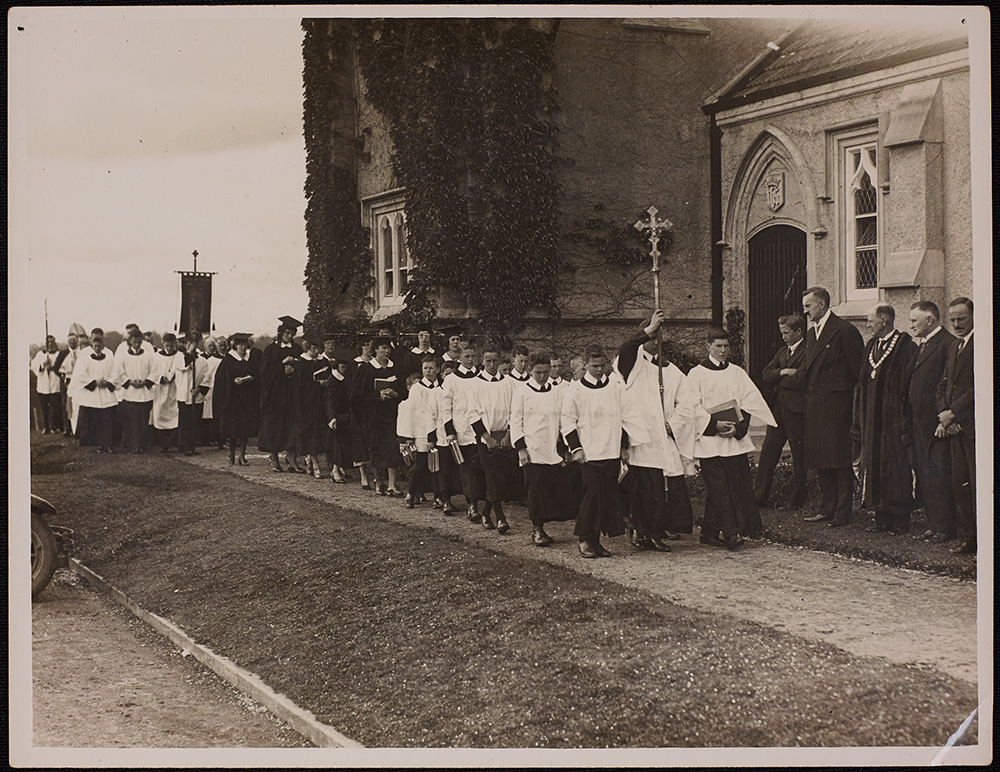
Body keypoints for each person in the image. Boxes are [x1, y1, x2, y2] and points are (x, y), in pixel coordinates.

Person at [688, 328, 777, 550]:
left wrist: (738, 428)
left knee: (735, 485)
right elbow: (692, 406)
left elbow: (748, 401)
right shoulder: (696, 374)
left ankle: (708, 532)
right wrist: (713, 425)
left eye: (726, 346)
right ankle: (731, 534)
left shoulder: (736, 372)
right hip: (708, 441)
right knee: (719, 487)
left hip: (733, 440)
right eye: (718, 346)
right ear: (708, 346)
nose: (723, 350)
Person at [616, 310, 696, 550]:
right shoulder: (631, 364)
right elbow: (627, 347)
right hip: (641, 436)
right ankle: (641, 531)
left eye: (658, 337)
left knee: (662, 487)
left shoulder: (671, 371)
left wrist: (674, 425)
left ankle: (655, 532)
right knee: (644, 487)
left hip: (664, 435)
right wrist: (649, 328)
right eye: (651, 337)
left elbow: (687, 403)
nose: (654, 342)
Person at [562, 345, 648, 558]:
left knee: (606, 496)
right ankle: (584, 538)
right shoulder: (575, 390)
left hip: (610, 450)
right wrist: (576, 448)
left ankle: (596, 540)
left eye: (603, 365)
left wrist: (623, 446)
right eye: (594, 366)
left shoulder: (615, 387)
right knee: (591, 495)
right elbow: (567, 421)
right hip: (588, 453)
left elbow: (626, 416)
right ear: (585, 365)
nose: (599, 370)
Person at [798, 286, 865, 527]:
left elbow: (859, 372)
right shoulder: (812, 333)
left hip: (838, 408)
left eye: (808, 306)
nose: (805, 311)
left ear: (822, 305)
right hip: (816, 406)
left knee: (838, 460)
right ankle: (826, 508)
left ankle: (842, 512)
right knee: (821, 458)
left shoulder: (844, 331)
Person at [853, 304, 918, 534]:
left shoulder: (905, 346)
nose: (868, 324)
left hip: (894, 420)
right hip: (872, 420)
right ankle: (881, 518)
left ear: (884, 319)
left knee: (896, 466)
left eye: (871, 320)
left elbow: (910, 384)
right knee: (875, 464)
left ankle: (900, 520)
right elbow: (862, 383)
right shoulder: (871, 345)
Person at [511, 352, 577, 546]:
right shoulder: (521, 392)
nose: (542, 376)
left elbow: (563, 421)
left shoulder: (557, 392)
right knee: (535, 490)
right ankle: (537, 530)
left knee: (553, 489)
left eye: (546, 372)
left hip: (552, 450)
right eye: (538, 372)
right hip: (531, 451)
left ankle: (546, 526)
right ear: (531, 371)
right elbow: (515, 422)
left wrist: (565, 447)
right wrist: (521, 449)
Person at [904, 301, 956, 544]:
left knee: (939, 474)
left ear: (931, 320)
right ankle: (933, 524)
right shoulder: (922, 345)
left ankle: (945, 527)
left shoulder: (946, 344)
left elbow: (947, 385)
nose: (911, 325)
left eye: (915, 320)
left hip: (936, 423)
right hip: (919, 422)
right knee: (925, 473)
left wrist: (943, 417)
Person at [754, 315, 808, 509]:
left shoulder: (808, 351)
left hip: (796, 410)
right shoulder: (782, 352)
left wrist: (779, 376)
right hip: (777, 410)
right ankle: (759, 496)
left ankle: (796, 500)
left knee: (799, 455)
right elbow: (766, 375)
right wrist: (783, 372)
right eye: (782, 333)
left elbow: (801, 379)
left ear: (798, 332)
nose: (783, 337)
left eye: (786, 333)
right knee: (768, 451)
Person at [936, 297, 975, 555]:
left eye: (962, 318)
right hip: (953, 426)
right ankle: (971, 537)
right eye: (953, 319)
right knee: (960, 483)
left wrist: (954, 413)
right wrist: (943, 413)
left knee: (976, 483)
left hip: (971, 426)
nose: (957, 324)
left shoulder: (982, 344)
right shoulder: (955, 346)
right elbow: (943, 384)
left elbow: (979, 386)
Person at [469, 345, 518, 532]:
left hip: (504, 437)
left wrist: (508, 434)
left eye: (495, 361)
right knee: (492, 477)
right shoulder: (476, 384)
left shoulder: (508, 383)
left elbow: (514, 411)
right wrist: (487, 437)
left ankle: (485, 512)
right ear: (482, 361)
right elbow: (472, 414)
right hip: (486, 439)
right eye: (488, 361)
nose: (491, 364)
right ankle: (501, 518)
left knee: (502, 479)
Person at [354, 336, 404, 495]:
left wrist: (395, 394)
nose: (386, 351)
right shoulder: (365, 369)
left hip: (391, 414)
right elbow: (357, 396)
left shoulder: (395, 368)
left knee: (392, 447)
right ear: (375, 350)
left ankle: (392, 485)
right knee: (374, 448)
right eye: (383, 348)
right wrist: (377, 396)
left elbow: (403, 391)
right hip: (373, 415)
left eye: (388, 348)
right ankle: (379, 482)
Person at [442, 343, 487, 520]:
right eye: (466, 356)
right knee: (467, 470)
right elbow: (446, 407)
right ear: (458, 358)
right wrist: (450, 431)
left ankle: (482, 502)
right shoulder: (451, 380)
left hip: (481, 431)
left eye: (472, 356)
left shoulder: (481, 377)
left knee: (480, 468)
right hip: (462, 430)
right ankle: (471, 505)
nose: (470, 360)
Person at [259, 315, 305, 473]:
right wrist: (282, 365)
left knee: (292, 427)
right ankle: (274, 460)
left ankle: (292, 461)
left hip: (292, 394)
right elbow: (265, 373)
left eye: (292, 333)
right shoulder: (271, 350)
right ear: (280, 333)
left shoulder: (297, 349)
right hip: (276, 395)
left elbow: (303, 369)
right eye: (287, 333)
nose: (290, 336)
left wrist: (295, 369)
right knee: (275, 427)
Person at [398, 356, 443, 508]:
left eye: (431, 368)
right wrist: (409, 436)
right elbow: (412, 412)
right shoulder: (417, 388)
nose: (428, 371)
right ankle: (411, 494)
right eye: (425, 368)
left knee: (437, 465)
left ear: (437, 369)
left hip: (439, 430)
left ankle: (438, 497)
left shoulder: (441, 387)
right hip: (422, 431)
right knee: (421, 464)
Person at [213, 333, 259, 465]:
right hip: (233, 398)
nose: (243, 348)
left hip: (247, 397)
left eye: (245, 345)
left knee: (245, 428)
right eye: (240, 345)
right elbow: (222, 378)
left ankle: (242, 455)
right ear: (235, 346)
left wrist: (251, 378)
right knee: (233, 427)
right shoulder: (229, 359)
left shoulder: (250, 358)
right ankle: (231, 452)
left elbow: (256, 373)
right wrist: (233, 381)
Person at [70, 332, 119, 452]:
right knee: (98, 421)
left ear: (103, 346)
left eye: (99, 346)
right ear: (92, 346)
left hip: (106, 392)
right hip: (95, 394)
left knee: (108, 419)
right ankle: (101, 445)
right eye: (95, 346)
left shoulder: (109, 358)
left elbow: (115, 372)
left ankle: (110, 444)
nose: (97, 348)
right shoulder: (86, 359)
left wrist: (108, 382)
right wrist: (94, 382)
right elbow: (81, 375)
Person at [293, 335, 329, 477]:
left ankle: (310, 460)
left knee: (321, 434)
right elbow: (302, 385)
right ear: (308, 347)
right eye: (313, 348)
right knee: (312, 434)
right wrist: (318, 384)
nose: (316, 351)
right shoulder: (302, 363)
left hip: (321, 403)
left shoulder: (323, 361)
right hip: (308, 404)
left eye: (318, 348)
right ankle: (315, 464)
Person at [113, 328, 154, 453]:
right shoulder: (123, 356)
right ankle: (134, 445)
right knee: (133, 421)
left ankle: (142, 445)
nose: (136, 345)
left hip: (144, 393)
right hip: (130, 392)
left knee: (143, 420)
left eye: (139, 342)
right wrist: (130, 382)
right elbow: (119, 372)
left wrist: (145, 381)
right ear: (130, 341)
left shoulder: (148, 355)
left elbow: (154, 371)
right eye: (134, 342)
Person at [347, 333, 376, 489]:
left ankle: (376, 475)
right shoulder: (354, 364)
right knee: (359, 441)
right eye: (365, 344)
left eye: (371, 344)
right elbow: (350, 389)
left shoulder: (375, 364)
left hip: (373, 407)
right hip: (359, 408)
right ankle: (364, 475)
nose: (369, 347)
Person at [324, 346, 355, 484]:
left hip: (346, 416)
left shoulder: (346, 378)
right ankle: (335, 470)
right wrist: (332, 417)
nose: (345, 369)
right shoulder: (333, 380)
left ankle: (342, 468)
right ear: (337, 366)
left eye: (346, 367)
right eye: (342, 366)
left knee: (346, 444)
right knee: (338, 445)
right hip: (337, 417)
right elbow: (330, 400)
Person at [176, 334, 209, 457]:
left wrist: (199, 389)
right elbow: (184, 365)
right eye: (187, 344)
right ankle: (184, 446)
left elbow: (207, 377)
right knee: (186, 423)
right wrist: (189, 351)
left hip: (197, 395)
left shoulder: (202, 361)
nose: (190, 346)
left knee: (195, 422)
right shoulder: (179, 358)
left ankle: (192, 445)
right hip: (184, 395)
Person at [150, 333, 184, 451]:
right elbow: (153, 371)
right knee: (160, 413)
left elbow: (183, 369)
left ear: (175, 344)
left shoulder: (179, 356)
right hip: (161, 389)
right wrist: (160, 378)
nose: (169, 348)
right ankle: (164, 445)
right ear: (163, 344)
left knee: (175, 415)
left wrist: (176, 376)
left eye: (171, 346)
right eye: (167, 346)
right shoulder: (157, 356)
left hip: (175, 389)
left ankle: (173, 443)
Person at [57, 323, 87, 436]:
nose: (72, 343)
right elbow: (57, 368)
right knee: (67, 405)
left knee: (79, 404)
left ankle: (79, 428)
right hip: (67, 381)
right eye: (70, 342)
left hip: (79, 382)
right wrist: (63, 376)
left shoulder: (82, 353)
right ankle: (67, 428)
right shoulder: (64, 353)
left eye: (74, 341)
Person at [31, 336, 63, 434]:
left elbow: (61, 367)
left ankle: (54, 426)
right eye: (48, 342)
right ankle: (46, 427)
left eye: (52, 342)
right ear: (45, 344)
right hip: (43, 386)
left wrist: (52, 367)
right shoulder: (40, 354)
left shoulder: (58, 354)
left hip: (54, 385)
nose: (50, 344)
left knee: (55, 407)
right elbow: (34, 366)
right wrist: (43, 364)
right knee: (44, 407)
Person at [199, 337, 223, 447]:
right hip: (210, 389)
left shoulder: (225, 359)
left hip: (219, 390)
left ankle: (219, 439)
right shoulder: (209, 361)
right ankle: (206, 438)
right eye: (210, 346)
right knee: (207, 415)